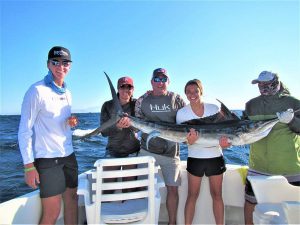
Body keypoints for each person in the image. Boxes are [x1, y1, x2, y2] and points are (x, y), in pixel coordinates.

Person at [18, 46, 78, 225]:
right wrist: (29, 166)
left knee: (72, 202)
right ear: (48, 65)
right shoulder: (36, 91)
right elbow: (24, 130)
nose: (61, 66)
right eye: (56, 62)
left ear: (70, 66)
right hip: (47, 159)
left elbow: (58, 121)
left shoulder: (67, 92)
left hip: (69, 155)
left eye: (65, 62)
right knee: (52, 212)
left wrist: (70, 123)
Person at [243, 71, 300, 225]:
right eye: (260, 84)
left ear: (276, 82)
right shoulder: (251, 105)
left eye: (266, 84)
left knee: (294, 207)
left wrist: (292, 120)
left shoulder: (294, 103)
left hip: (290, 167)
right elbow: (241, 130)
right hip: (258, 165)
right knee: (250, 203)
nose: (262, 87)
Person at [133, 68, 186, 225]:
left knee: (173, 189)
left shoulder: (177, 99)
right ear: (151, 82)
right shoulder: (142, 100)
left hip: (171, 152)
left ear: (168, 82)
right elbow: (137, 125)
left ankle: (172, 223)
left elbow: (185, 123)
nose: (160, 82)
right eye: (157, 79)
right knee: (142, 188)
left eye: (164, 79)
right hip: (147, 151)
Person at [176, 79, 231, 225]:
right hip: (195, 158)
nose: (192, 94)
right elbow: (182, 139)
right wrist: (189, 141)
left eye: (195, 91)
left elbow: (225, 134)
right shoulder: (182, 113)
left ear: (201, 91)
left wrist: (225, 145)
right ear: (185, 94)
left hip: (215, 157)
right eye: (188, 92)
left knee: (217, 195)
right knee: (192, 196)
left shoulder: (214, 108)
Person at [100, 76, 140, 193]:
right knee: (107, 189)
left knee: (129, 190)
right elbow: (103, 132)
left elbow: (139, 129)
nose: (126, 89)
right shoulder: (107, 105)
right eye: (123, 86)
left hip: (132, 151)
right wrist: (118, 127)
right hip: (113, 151)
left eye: (129, 87)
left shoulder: (137, 104)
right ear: (118, 88)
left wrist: (130, 124)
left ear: (133, 89)